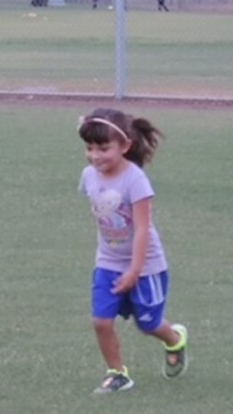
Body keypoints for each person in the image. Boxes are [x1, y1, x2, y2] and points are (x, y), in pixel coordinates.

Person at [77, 108, 188, 394]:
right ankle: (117, 373)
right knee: (101, 321)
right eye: (89, 148)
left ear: (125, 146)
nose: (95, 156)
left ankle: (174, 338)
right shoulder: (89, 176)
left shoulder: (135, 179)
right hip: (107, 261)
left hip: (146, 265)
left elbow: (141, 228)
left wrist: (134, 271)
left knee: (148, 323)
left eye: (103, 148)